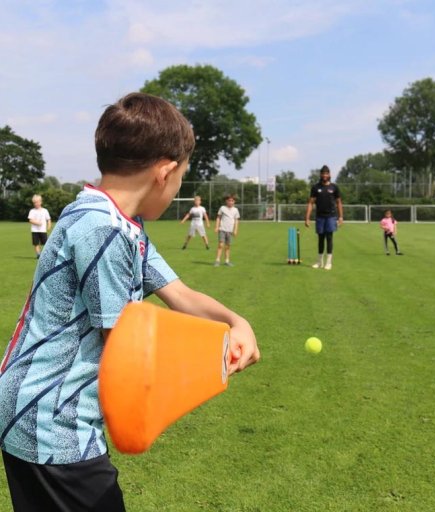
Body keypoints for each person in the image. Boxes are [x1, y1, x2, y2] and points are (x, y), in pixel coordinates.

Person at [0, 92, 260, 512]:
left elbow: (180, 294)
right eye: (181, 179)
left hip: (40, 412)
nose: (177, 190)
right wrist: (214, 359)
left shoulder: (121, 224)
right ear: (165, 171)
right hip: (51, 419)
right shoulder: (102, 228)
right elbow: (125, 343)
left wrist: (236, 322)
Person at [305, 165, 343, 270]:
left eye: (327, 173)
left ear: (329, 174)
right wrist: (307, 218)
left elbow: (339, 202)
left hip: (331, 216)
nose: (325, 175)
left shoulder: (334, 187)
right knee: (320, 239)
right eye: (323, 173)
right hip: (320, 217)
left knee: (329, 238)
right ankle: (319, 262)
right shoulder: (316, 187)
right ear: (320, 175)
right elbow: (310, 203)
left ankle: (329, 263)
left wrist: (340, 217)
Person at [214, 194, 240, 267]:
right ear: (226, 201)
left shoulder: (235, 210)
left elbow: (236, 220)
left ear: (234, 202)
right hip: (222, 229)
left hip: (230, 231)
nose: (231, 202)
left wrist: (235, 230)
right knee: (220, 245)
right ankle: (217, 260)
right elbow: (218, 218)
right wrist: (216, 227)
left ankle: (227, 261)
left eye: (232, 201)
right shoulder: (222, 208)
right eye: (229, 200)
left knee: (228, 246)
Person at [28, 194, 51, 259]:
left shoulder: (45, 210)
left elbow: (48, 219)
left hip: (43, 230)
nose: (36, 204)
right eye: (35, 202)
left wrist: (49, 226)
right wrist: (37, 223)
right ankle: (38, 254)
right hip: (35, 230)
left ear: (41, 202)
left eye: (37, 202)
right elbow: (30, 220)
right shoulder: (32, 211)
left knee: (45, 243)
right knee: (36, 243)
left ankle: (46, 254)